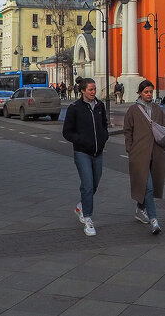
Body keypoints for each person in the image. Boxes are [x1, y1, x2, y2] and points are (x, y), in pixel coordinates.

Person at [62, 77, 109, 237]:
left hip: (98, 152)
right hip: (82, 152)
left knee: (94, 184)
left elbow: (104, 125)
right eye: (90, 90)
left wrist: (104, 137)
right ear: (82, 91)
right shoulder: (74, 108)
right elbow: (67, 132)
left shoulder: (100, 106)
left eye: (94, 89)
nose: (93, 92)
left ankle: (81, 205)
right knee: (88, 185)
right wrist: (80, 140)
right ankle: (87, 219)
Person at [124, 79, 165, 235]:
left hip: (156, 154)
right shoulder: (133, 110)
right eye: (146, 92)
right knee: (147, 187)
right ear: (140, 93)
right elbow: (127, 131)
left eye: (151, 92)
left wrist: (164, 148)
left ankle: (140, 208)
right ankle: (154, 220)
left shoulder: (157, 109)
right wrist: (130, 149)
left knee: (150, 185)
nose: (149, 94)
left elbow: (164, 128)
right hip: (139, 155)